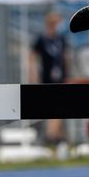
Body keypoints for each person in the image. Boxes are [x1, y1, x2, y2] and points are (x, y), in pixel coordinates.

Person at [28, 11, 70, 145]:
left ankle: (56, 137)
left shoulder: (60, 39)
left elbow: (65, 57)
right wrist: (33, 76)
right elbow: (31, 57)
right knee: (54, 109)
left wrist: (67, 74)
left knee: (59, 108)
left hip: (60, 78)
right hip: (47, 78)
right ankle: (52, 136)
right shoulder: (42, 39)